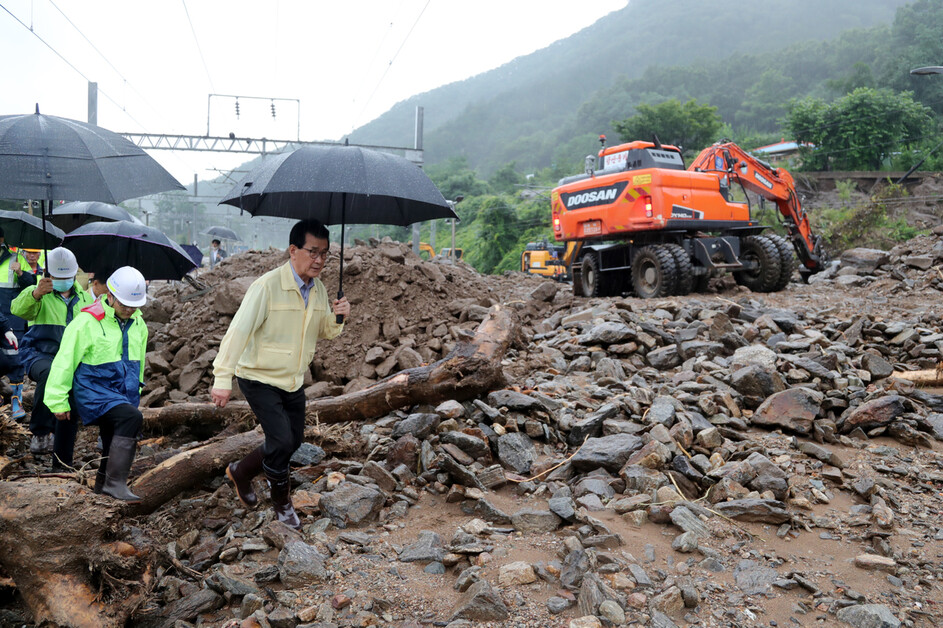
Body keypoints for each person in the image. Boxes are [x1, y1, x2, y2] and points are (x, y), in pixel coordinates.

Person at [212, 219, 349, 529]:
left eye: (325, 254)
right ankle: (282, 504)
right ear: (293, 250)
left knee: (293, 439)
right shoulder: (267, 286)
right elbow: (238, 332)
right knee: (282, 440)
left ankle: (241, 471)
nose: (319, 260)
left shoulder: (319, 290)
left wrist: (339, 317)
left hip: (292, 380)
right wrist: (223, 379)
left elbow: (324, 331)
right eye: (313, 252)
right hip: (259, 377)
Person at [43, 266, 148, 501]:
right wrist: (57, 400)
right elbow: (64, 361)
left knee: (113, 432)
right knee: (131, 418)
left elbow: (139, 359)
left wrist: (137, 386)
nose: (130, 310)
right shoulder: (87, 321)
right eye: (125, 304)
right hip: (93, 390)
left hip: (122, 391)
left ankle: (102, 484)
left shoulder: (139, 324)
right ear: (109, 296)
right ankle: (115, 483)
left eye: (135, 305)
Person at [11, 248, 94, 463]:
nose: (63, 281)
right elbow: (18, 310)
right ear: (49, 274)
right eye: (58, 277)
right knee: (50, 374)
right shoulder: (37, 292)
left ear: (75, 274)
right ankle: (40, 432)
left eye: (67, 277)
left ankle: (62, 457)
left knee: (71, 395)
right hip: (39, 353)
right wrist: (36, 294)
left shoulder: (85, 299)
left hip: (71, 358)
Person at [0, 229, 33, 420]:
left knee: (15, 359)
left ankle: (16, 401)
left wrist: (20, 272)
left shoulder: (15, 257)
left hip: (11, 318)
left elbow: (31, 285)